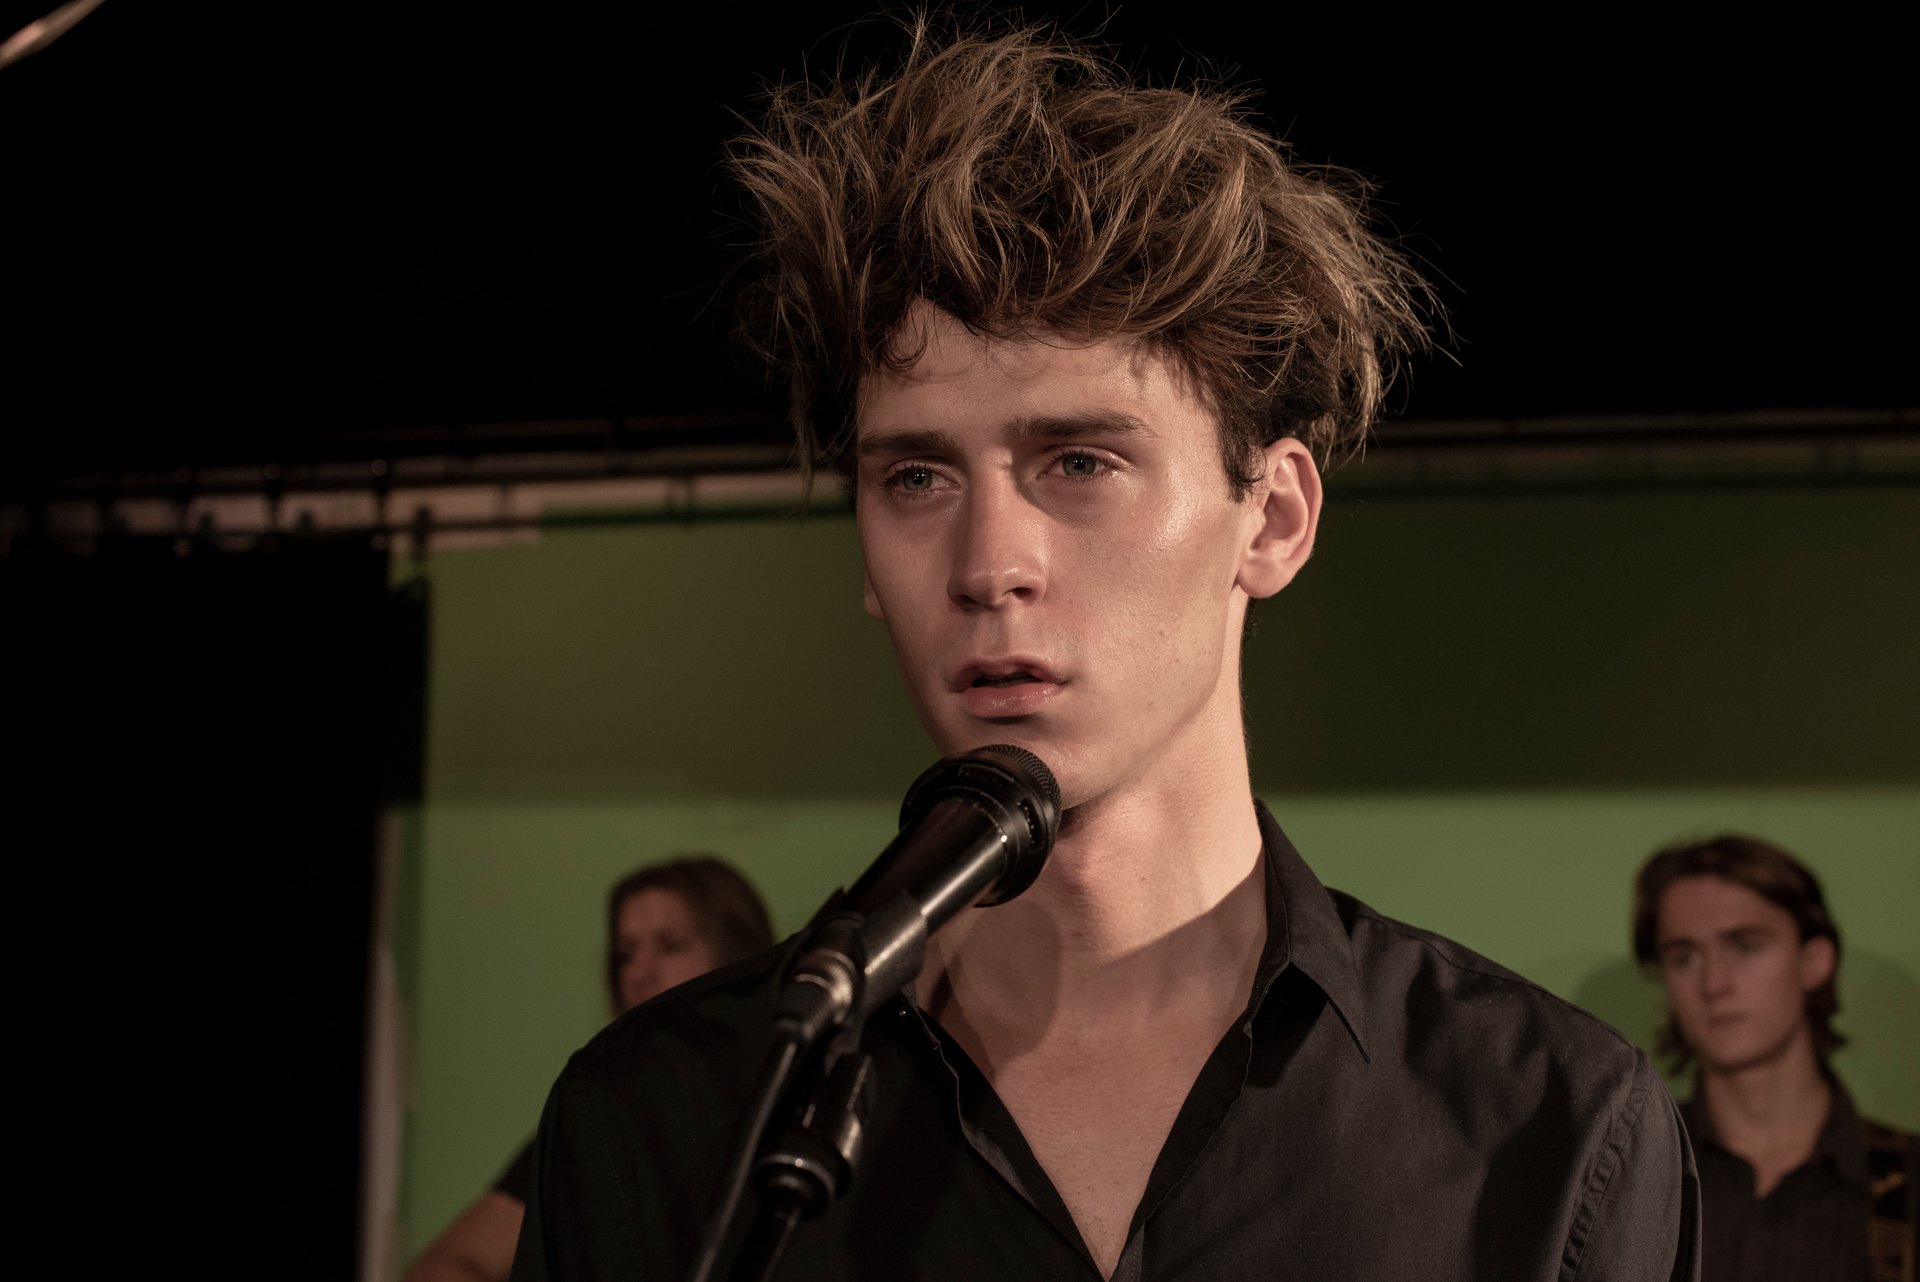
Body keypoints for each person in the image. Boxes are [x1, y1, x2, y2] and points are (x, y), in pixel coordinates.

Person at [512, 20, 1700, 1281]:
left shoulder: (1548, 1126)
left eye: (1080, 462)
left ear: (1273, 519)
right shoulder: (662, 1120)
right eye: (916, 477)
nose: (989, 563)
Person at [406, 857, 775, 1282]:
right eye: (625, 954)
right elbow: (447, 1265)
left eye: (670, 945)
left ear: (740, 960)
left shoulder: (797, 1108)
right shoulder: (599, 1125)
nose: (638, 973)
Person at [1636, 835, 1917, 1282]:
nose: (1713, 983)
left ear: (1814, 961)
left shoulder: (1910, 1181)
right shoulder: (1630, 1177)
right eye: (1684, 957)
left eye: (1745, 946)